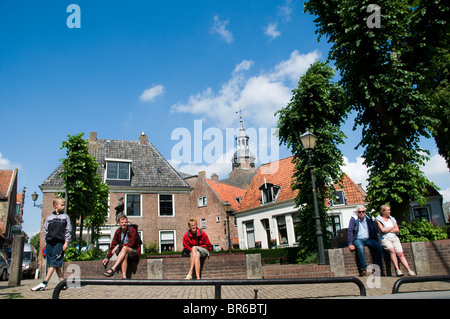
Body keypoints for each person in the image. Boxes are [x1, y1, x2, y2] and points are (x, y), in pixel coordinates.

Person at [31, 197, 72, 291]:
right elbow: (45, 230)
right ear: (55, 206)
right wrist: (46, 242)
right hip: (50, 243)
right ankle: (63, 283)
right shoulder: (49, 218)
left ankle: (44, 283)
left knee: (53, 263)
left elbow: (68, 231)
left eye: (64, 205)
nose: (64, 206)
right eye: (62, 205)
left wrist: (66, 242)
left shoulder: (65, 217)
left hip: (59, 243)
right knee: (55, 264)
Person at [376, 205, 416, 276]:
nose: (389, 211)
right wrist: (391, 228)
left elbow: (397, 229)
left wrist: (387, 229)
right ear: (383, 211)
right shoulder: (379, 219)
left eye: (389, 210)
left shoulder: (392, 219)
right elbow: (382, 230)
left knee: (400, 253)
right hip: (385, 239)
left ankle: (409, 270)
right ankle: (397, 270)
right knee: (392, 251)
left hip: (394, 238)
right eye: (388, 210)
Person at [348, 205, 383, 276]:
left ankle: (376, 268)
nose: (361, 213)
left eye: (363, 212)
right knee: (360, 248)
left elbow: (374, 230)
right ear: (357, 212)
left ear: (365, 212)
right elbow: (350, 231)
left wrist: (377, 240)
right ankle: (363, 268)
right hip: (358, 239)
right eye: (359, 212)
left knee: (378, 247)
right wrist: (350, 243)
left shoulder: (369, 218)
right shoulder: (354, 219)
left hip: (368, 239)